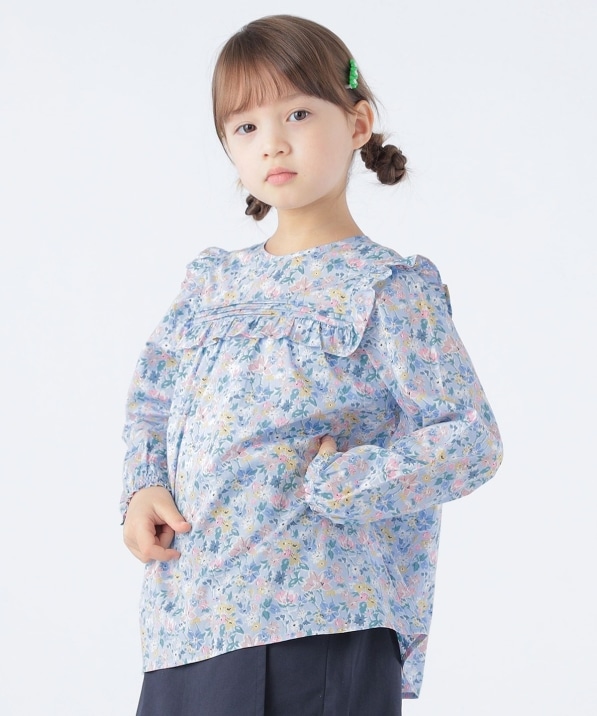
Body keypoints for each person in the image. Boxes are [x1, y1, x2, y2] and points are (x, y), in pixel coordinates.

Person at [121, 14, 503, 716]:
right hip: (187, 618)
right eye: (245, 126)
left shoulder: (387, 287)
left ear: (357, 123)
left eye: (297, 113)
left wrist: (344, 482)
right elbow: (153, 395)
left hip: (320, 617)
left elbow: (471, 440)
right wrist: (143, 485)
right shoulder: (211, 283)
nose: (272, 141)